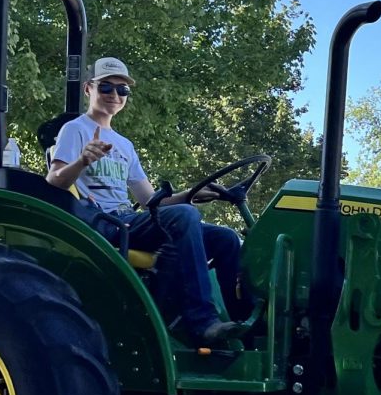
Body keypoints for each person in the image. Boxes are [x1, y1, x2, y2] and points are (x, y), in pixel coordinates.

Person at [46, 57, 246, 345]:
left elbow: (149, 200)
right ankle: (202, 322)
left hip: (129, 218)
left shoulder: (125, 145)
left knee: (224, 238)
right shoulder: (75, 130)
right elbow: (54, 179)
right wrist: (82, 160)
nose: (114, 95)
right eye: (106, 87)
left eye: (122, 90)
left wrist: (191, 194)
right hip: (103, 222)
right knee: (184, 216)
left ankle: (242, 324)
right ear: (89, 89)